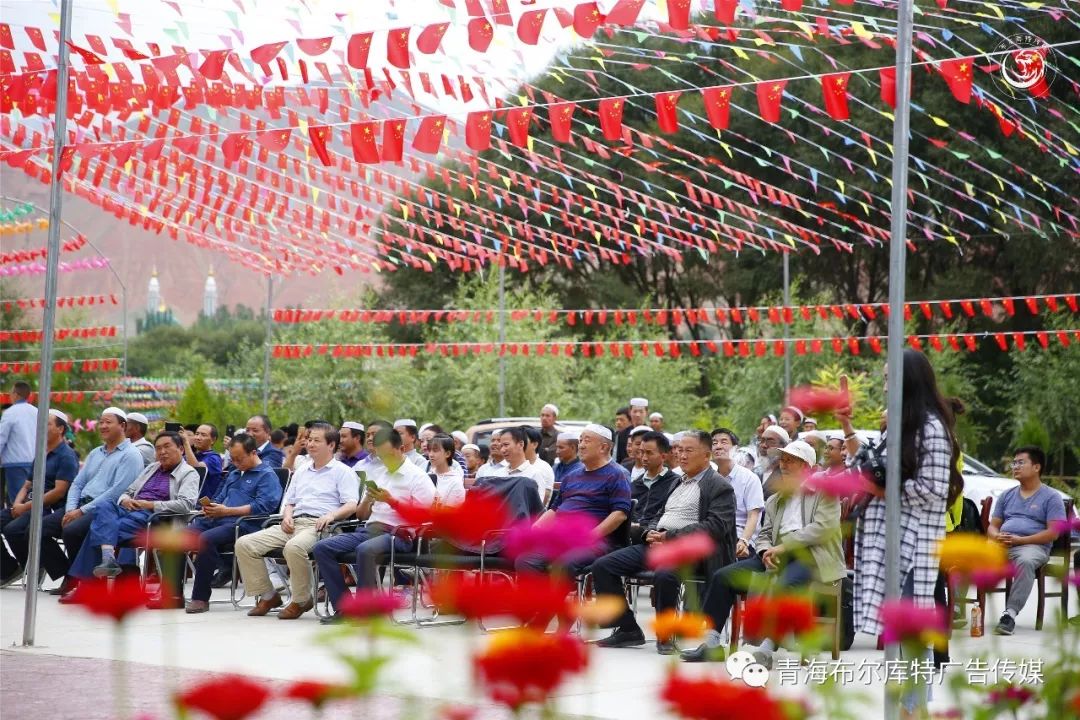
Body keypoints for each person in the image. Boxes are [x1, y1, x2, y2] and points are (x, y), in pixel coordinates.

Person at [838, 352, 964, 720]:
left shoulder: (931, 427)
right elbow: (873, 465)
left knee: (911, 632)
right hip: (889, 539)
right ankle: (908, 708)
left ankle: (912, 709)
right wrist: (847, 427)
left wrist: (880, 491)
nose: (885, 384)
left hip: (913, 541)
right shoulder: (901, 424)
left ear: (910, 380)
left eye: (891, 377)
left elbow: (933, 488)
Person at [681, 440, 845, 665]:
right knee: (723, 577)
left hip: (813, 557)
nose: (784, 465)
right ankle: (711, 643)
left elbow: (822, 529)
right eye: (783, 460)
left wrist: (783, 546)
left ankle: (767, 649)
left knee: (786, 585)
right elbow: (765, 533)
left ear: (807, 466)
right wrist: (766, 550)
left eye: (791, 461)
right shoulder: (776, 499)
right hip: (776, 554)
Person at [593, 430, 736, 654]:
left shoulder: (719, 486)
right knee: (603, 565)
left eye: (689, 451)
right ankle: (627, 628)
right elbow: (658, 515)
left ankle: (665, 635)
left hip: (692, 551)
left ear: (707, 456)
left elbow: (715, 527)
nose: (682, 455)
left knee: (665, 574)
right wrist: (649, 533)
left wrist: (670, 536)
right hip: (659, 543)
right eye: (680, 450)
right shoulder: (677, 482)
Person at [235, 423, 359, 620]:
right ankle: (269, 596)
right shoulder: (301, 470)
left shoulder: (343, 471)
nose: (310, 444)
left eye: (317, 440)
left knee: (293, 548)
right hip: (293, 522)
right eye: (309, 439)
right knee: (244, 544)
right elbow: (290, 502)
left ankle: (301, 600)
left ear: (331, 445)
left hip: (321, 525)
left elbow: (351, 504)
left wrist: (331, 515)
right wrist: (287, 516)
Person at [313, 428, 434, 623]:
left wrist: (392, 501)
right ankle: (345, 609)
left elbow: (424, 517)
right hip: (370, 529)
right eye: (380, 454)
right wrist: (368, 500)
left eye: (388, 453)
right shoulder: (379, 473)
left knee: (365, 550)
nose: (384, 458)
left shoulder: (418, 477)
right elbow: (361, 515)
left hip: (400, 534)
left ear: (401, 448)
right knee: (322, 548)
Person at [62, 432, 199, 589]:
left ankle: (87, 584)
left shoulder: (189, 473)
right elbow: (128, 490)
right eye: (158, 448)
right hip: (130, 510)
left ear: (181, 449)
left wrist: (150, 504)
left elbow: (186, 504)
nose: (162, 452)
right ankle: (107, 561)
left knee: (97, 530)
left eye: (167, 447)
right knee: (103, 505)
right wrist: (125, 500)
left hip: (155, 518)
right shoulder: (152, 468)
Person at [515, 424, 632, 579]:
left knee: (564, 563)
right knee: (525, 560)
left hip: (594, 541)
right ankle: (539, 601)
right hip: (563, 537)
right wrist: (536, 528)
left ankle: (556, 602)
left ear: (603, 447)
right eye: (580, 440)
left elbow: (619, 514)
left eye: (587, 441)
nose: (581, 445)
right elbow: (555, 509)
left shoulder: (617, 474)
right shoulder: (572, 476)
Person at [182, 434, 283, 613]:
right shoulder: (234, 472)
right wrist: (211, 507)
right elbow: (221, 496)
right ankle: (173, 594)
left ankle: (200, 598)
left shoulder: (267, 475)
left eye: (239, 459)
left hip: (244, 525)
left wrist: (227, 511)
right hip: (218, 519)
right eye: (233, 459)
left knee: (206, 539)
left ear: (253, 453)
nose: (236, 463)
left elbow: (264, 506)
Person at [54, 408, 144, 597]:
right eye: (101, 421)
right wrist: (71, 508)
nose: (102, 426)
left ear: (123, 426)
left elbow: (116, 492)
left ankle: (87, 584)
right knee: (39, 527)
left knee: (72, 530)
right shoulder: (96, 452)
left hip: (107, 509)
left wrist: (81, 512)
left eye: (108, 422)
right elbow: (78, 483)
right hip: (80, 505)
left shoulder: (131, 455)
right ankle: (73, 576)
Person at [989, 446, 1067, 635]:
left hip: (1033, 547)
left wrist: (1021, 541)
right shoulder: (1006, 495)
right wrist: (996, 536)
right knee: (969, 552)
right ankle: (956, 609)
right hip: (1003, 544)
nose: (1015, 466)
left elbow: (1054, 533)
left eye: (1020, 462)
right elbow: (993, 526)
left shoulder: (1051, 497)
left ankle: (1009, 615)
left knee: (1025, 561)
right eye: (1014, 462)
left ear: (1036, 467)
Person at [1, 409, 78, 586]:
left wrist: (25, 507)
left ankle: (40, 567)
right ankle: (9, 569)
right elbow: (27, 484)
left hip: (48, 507)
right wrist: (17, 503)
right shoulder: (41, 454)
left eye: (47, 424)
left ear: (60, 429)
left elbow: (58, 492)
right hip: (28, 503)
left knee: (13, 530)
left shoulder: (66, 456)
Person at [712, 428, 764, 560]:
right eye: (714, 443)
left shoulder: (749, 478)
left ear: (735, 448)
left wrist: (744, 541)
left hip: (740, 537)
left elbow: (753, 515)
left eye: (724, 442)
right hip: (713, 535)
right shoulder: (709, 478)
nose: (718, 446)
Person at [629, 431, 679, 543]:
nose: (644, 458)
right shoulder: (635, 484)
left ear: (663, 456)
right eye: (642, 452)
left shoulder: (675, 483)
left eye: (649, 453)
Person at [0, 381, 37, 505]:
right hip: (35, 462)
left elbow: (1, 438)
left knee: (16, 502)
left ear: (15, 394)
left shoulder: (10, 413)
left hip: (15, 462)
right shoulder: (37, 412)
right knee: (31, 500)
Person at [182, 424, 223, 499]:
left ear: (213, 440)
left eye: (203, 435)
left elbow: (195, 471)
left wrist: (186, 443)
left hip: (203, 505)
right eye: (197, 434)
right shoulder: (191, 456)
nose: (198, 438)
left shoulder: (214, 458)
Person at [427, 434, 466, 507]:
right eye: (429, 450)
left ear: (447, 454)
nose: (431, 454)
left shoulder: (455, 482)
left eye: (435, 450)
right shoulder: (427, 476)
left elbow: (450, 514)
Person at [523, 425, 556, 506]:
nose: (518, 445)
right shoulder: (509, 466)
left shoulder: (543, 468)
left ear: (534, 444)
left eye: (522, 441)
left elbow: (542, 502)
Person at [755, 425, 790, 500]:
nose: (764, 445)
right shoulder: (755, 472)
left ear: (783, 447)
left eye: (770, 441)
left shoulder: (787, 475)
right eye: (762, 440)